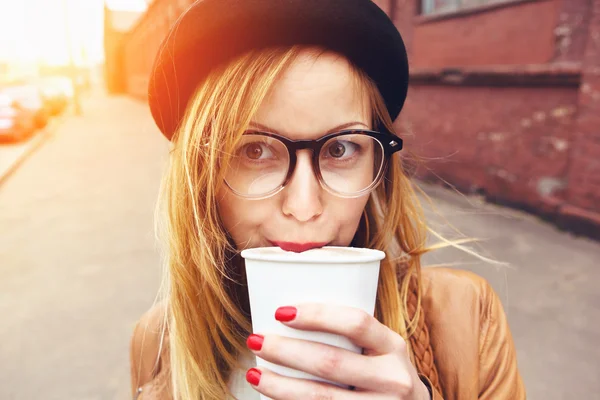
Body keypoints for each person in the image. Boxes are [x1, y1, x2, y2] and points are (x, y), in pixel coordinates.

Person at [129, 0, 526, 399]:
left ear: (378, 167)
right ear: (201, 174)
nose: (304, 207)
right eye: (254, 151)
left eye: (340, 149)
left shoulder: (466, 317)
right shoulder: (157, 343)